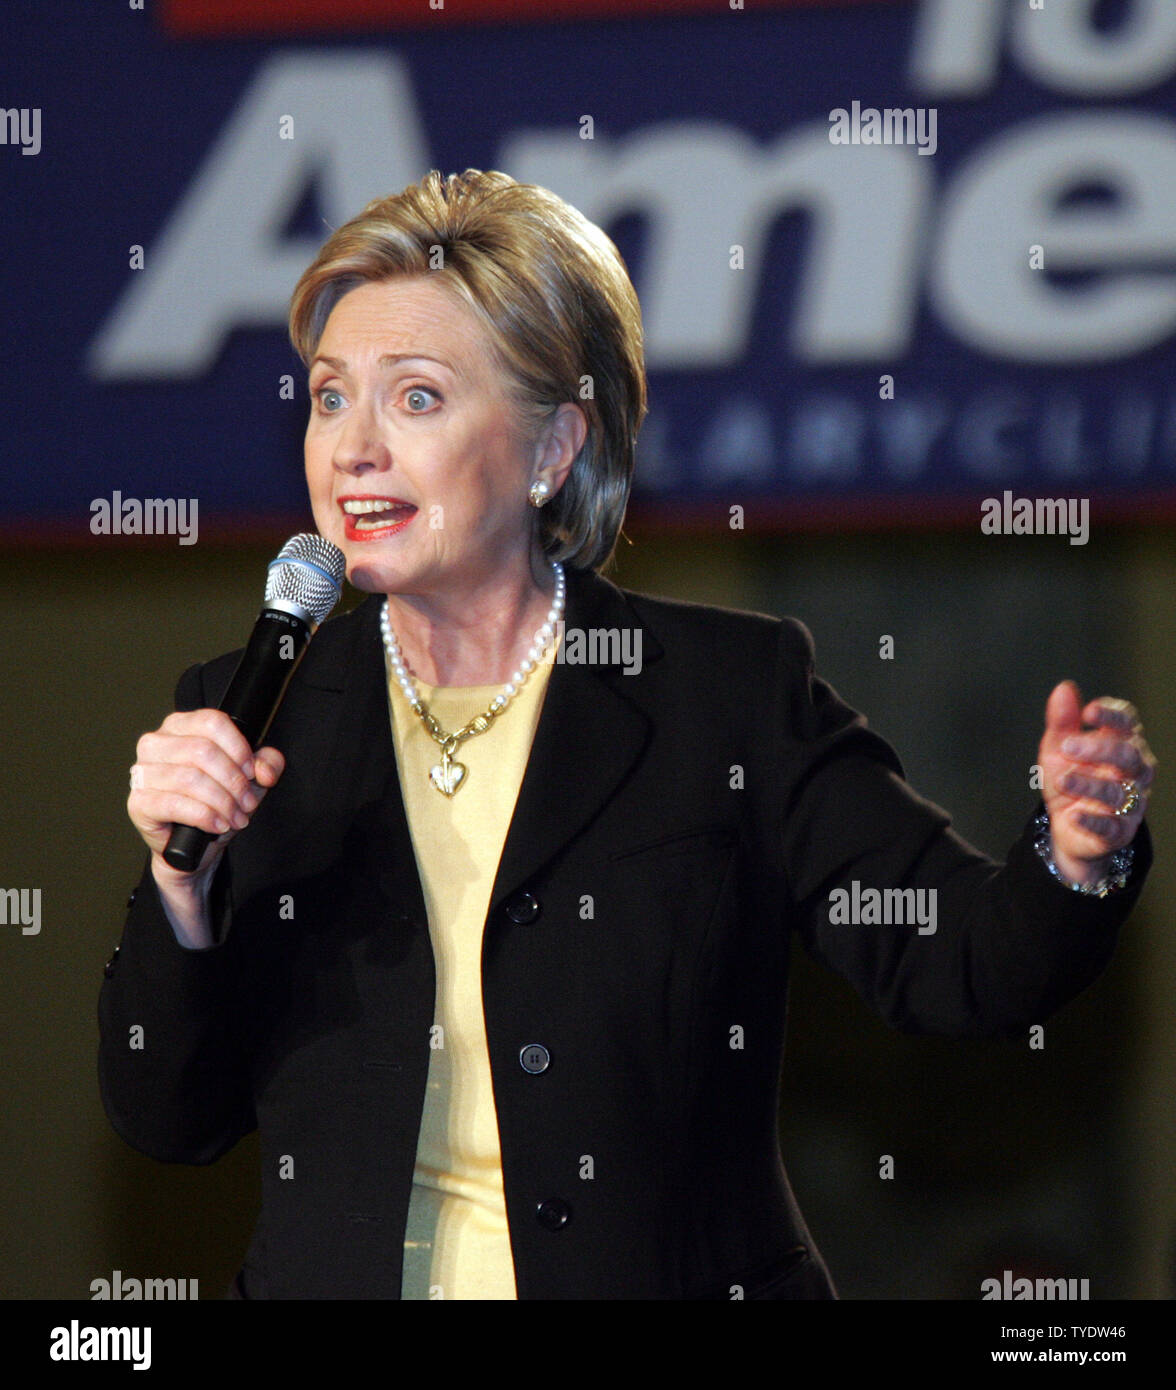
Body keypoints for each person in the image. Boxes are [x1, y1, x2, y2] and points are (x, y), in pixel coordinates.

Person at [99, 169, 1156, 1301]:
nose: (352, 448)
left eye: (414, 398)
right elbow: (166, 1115)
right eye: (327, 396)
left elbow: (959, 964)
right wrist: (183, 898)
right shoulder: (255, 714)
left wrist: (1073, 857)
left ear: (554, 446)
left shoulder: (723, 694)